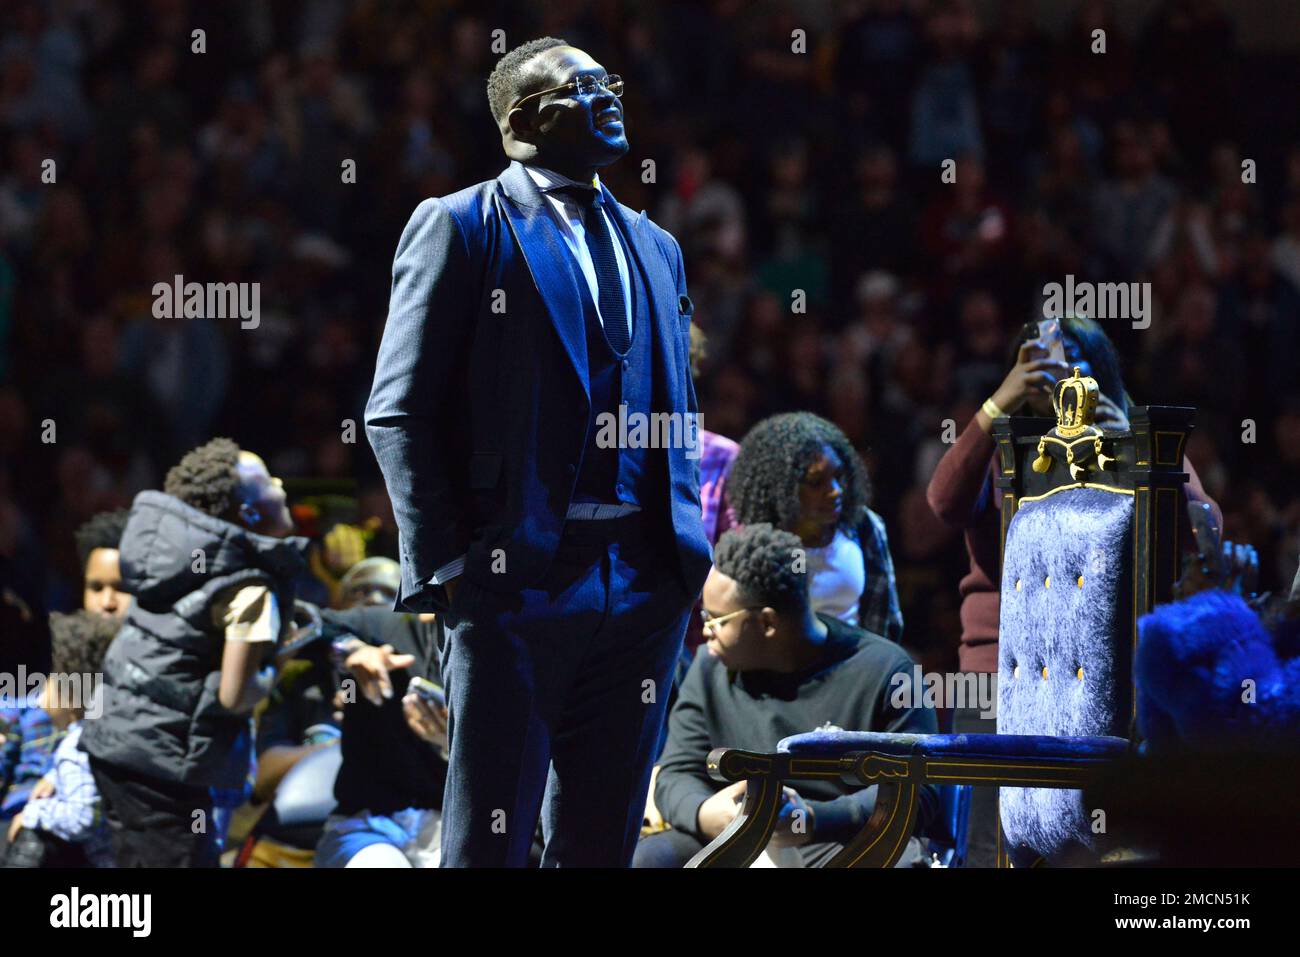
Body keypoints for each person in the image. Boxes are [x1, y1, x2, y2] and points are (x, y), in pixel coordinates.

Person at [365, 37, 711, 867]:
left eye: (610, 82)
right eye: (583, 86)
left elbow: (678, 405)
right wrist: (449, 566)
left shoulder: (655, 244)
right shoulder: (460, 223)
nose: (608, 96)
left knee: (600, 845)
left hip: (641, 583)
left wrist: (678, 559)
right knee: (490, 838)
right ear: (522, 119)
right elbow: (396, 410)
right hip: (513, 583)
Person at [925, 314, 1222, 866]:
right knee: (990, 847)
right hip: (1000, 672)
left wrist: (1131, 438)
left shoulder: (1131, 444)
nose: (1062, 383)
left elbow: (1205, 530)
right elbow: (943, 503)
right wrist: (997, 406)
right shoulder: (1005, 449)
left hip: (1109, 675)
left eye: (1074, 365)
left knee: (1095, 847)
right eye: (1040, 368)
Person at [635, 523, 938, 868]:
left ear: (767, 623)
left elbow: (922, 790)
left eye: (716, 619)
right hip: (735, 835)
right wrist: (705, 812)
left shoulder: (885, 671)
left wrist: (811, 818)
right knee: (648, 860)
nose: (705, 632)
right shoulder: (709, 669)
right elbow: (677, 770)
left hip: (841, 840)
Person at [79, 438, 309, 867]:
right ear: (248, 512)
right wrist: (279, 662)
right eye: (266, 480)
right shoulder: (249, 588)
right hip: (163, 763)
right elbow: (234, 694)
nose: (280, 484)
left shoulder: (173, 559)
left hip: (112, 745)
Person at [1, 509, 128, 851]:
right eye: (96, 587)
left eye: (123, 588)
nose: (108, 603)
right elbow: (20, 705)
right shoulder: (69, 662)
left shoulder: (151, 683)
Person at [725, 412, 904, 642]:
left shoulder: (864, 527)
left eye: (838, 477)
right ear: (782, 488)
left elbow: (885, 624)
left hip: (858, 670)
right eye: (816, 482)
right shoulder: (757, 546)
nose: (835, 491)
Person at [3, 610, 117, 868]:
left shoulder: (76, 748)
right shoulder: (102, 734)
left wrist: (33, 814)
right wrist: (55, 776)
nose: (43, 689)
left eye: (51, 679)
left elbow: (82, 817)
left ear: (72, 692)